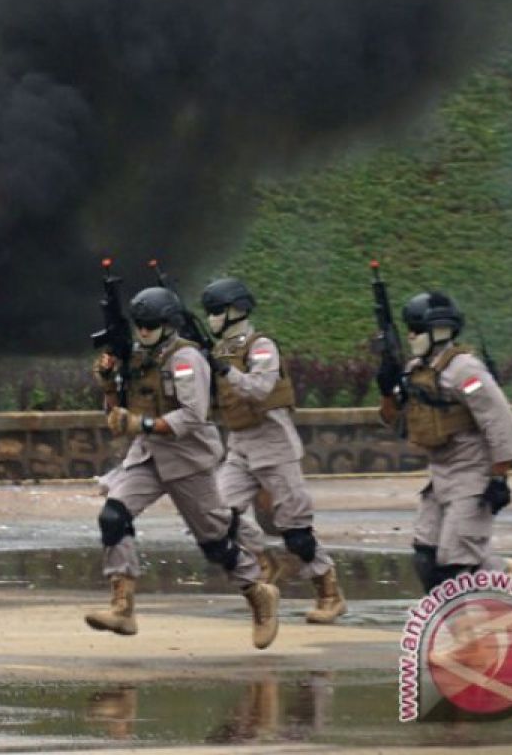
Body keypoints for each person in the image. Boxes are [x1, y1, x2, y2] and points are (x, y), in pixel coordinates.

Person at [86, 286, 280, 649]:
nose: (143, 331)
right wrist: (108, 384)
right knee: (113, 516)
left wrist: (139, 424)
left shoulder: (186, 359)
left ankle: (258, 593)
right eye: (139, 324)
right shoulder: (136, 356)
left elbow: (192, 415)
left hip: (187, 458)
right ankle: (122, 606)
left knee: (215, 542)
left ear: (167, 323)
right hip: (147, 457)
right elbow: (116, 410)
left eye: (150, 324)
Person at [377, 291, 512, 593]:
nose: (410, 336)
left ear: (438, 330)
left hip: (473, 472)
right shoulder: (415, 369)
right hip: (440, 472)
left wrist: (499, 477)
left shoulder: (465, 370)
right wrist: (387, 389)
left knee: (454, 563)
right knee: (425, 559)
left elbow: (500, 421)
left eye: (416, 329)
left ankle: (465, 631)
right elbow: (398, 422)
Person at [201, 277, 346, 624]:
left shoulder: (261, 346)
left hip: (275, 446)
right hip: (240, 446)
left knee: (295, 531)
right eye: (208, 313)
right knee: (217, 512)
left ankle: (329, 592)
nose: (211, 319)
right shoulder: (218, 352)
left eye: (216, 311)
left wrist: (226, 371)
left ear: (237, 311)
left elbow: (261, 388)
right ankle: (262, 558)